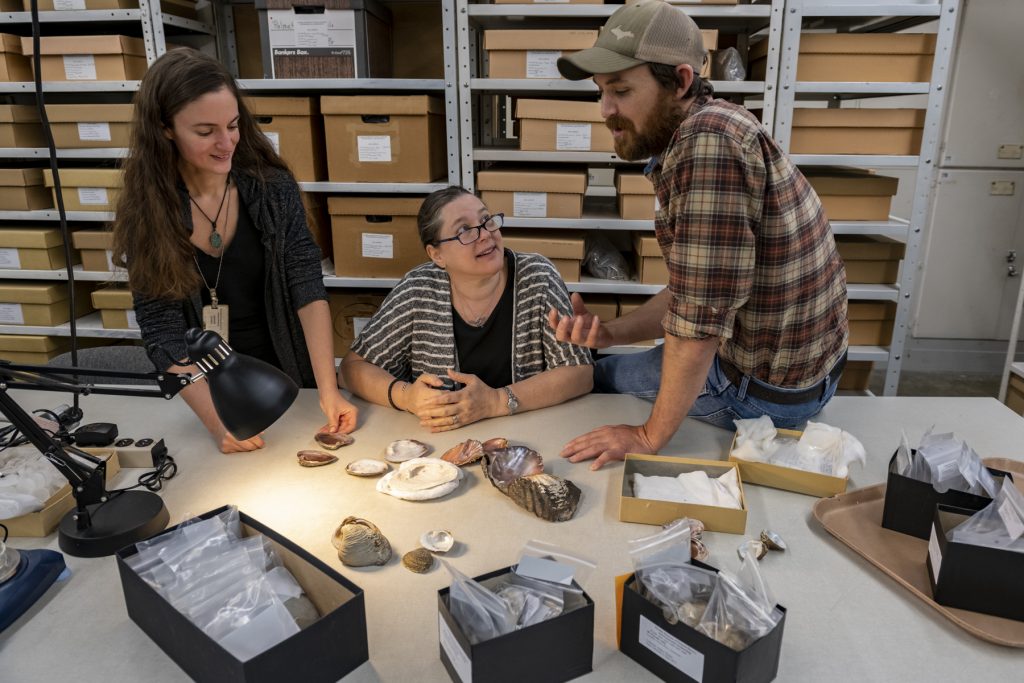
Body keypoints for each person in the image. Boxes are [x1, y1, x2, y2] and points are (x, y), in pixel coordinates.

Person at [551, 0, 848, 470]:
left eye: (623, 90)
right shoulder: (718, 122)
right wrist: (611, 333)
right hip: (801, 372)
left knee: (593, 377)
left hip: (767, 396)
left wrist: (648, 437)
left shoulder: (708, 146)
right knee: (606, 357)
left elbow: (698, 324)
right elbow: (696, 291)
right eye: (602, 91)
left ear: (682, 81)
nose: (606, 110)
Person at [112, 48, 358, 453]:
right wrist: (216, 423)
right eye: (206, 131)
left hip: (286, 375)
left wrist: (327, 390)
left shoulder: (271, 189)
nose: (226, 142)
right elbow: (162, 332)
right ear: (165, 129)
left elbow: (306, 286)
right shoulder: (148, 213)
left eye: (233, 125)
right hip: (209, 388)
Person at [339, 187, 593, 430]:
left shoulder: (537, 277)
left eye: (486, 220)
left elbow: (580, 371)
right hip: (441, 441)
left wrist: (495, 401)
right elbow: (351, 368)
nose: (485, 234)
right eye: (464, 230)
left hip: (531, 436)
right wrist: (406, 397)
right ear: (436, 255)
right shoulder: (418, 289)